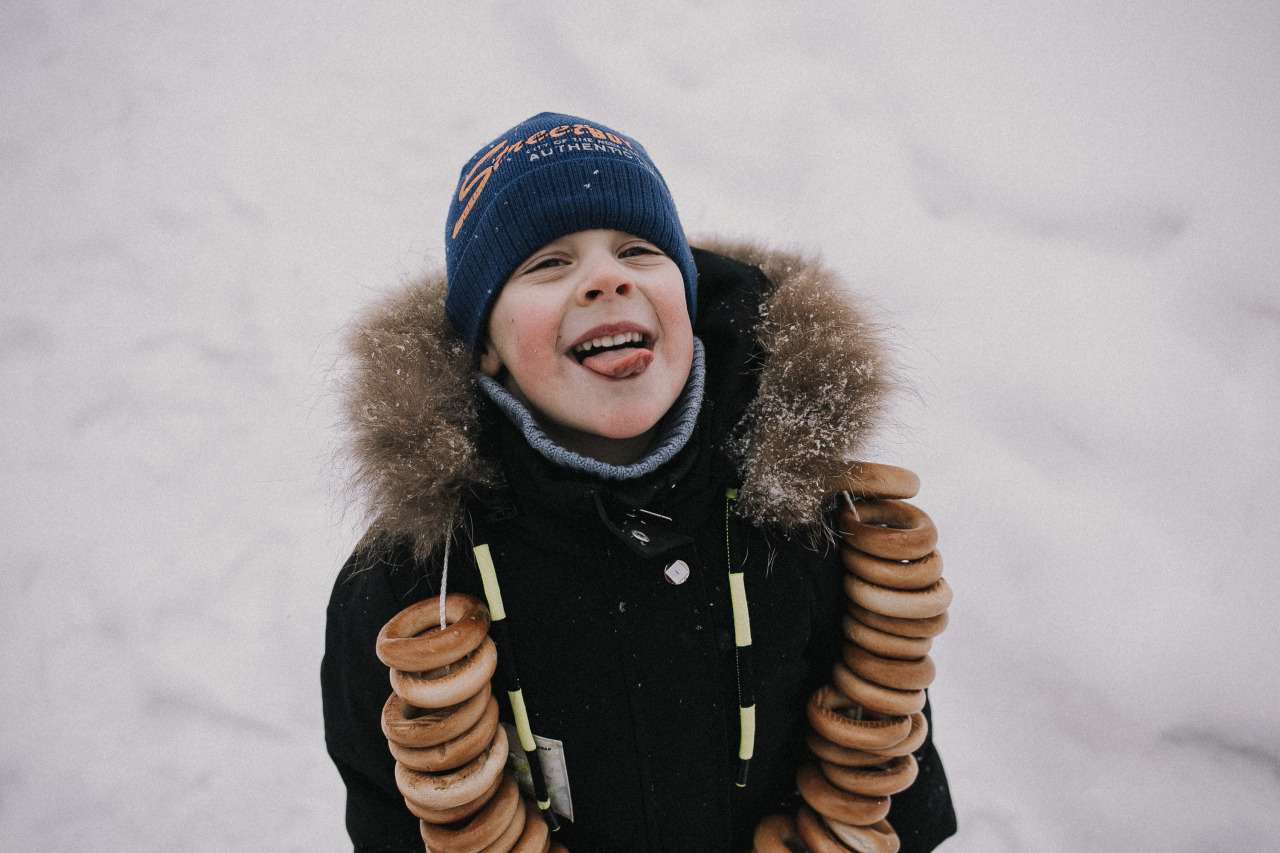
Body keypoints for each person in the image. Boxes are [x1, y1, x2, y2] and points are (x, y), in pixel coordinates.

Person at [322, 112, 957, 853]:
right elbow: (391, 816)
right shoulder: (410, 582)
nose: (606, 278)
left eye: (639, 249)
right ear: (484, 350)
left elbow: (892, 780)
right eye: (547, 264)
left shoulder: (815, 522)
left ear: (687, 301)